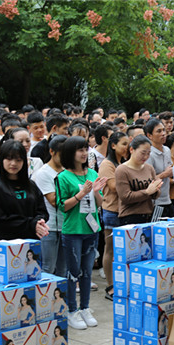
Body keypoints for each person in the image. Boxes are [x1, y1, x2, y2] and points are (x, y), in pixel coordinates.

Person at [56, 136, 107, 330]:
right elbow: (63, 206)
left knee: (87, 272)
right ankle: (71, 310)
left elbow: (101, 203)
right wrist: (81, 193)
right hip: (73, 230)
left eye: (85, 149)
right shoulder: (63, 177)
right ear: (70, 153)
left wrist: (95, 192)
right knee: (73, 272)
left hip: (91, 228)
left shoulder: (93, 173)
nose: (84, 153)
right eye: (80, 150)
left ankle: (85, 307)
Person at [0, 140, 49, 241]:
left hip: (31, 240)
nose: (13, 163)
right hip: (6, 242)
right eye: (9, 159)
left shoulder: (31, 185)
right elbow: (0, 219)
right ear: (1, 159)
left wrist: (39, 222)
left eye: (18, 160)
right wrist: (31, 224)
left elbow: (42, 211)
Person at [98, 132, 129, 300]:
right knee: (110, 249)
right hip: (111, 210)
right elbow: (114, 186)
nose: (127, 148)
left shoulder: (122, 163)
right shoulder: (107, 164)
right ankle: (110, 286)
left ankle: (121, 283)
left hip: (126, 210)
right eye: (123, 144)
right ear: (113, 145)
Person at [32, 135, 68, 277]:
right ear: (52, 152)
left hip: (66, 225)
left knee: (63, 268)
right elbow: (53, 200)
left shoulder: (68, 171)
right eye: (62, 154)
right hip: (50, 226)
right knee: (47, 267)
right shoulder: (43, 173)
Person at [115, 135, 163, 225]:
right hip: (130, 217)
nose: (146, 156)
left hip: (148, 215)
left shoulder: (149, 168)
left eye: (148, 153)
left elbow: (155, 195)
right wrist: (147, 192)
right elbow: (125, 197)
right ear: (132, 150)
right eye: (143, 153)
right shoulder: (122, 170)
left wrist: (156, 189)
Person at [145, 119, 174, 218]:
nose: (163, 134)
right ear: (149, 136)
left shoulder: (167, 150)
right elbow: (147, 181)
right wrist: (164, 174)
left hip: (168, 198)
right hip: (156, 202)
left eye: (164, 130)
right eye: (159, 131)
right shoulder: (148, 154)